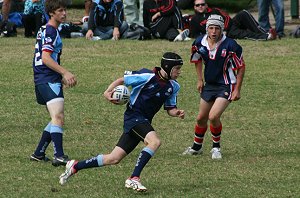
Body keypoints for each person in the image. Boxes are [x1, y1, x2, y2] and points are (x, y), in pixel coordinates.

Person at [59, 52, 185, 192]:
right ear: (167, 67)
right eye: (177, 68)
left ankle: (75, 166)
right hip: (134, 117)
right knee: (154, 142)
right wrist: (107, 92)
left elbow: (170, 108)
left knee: (113, 158)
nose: (179, 72)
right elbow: (121, 80)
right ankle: (134, 178)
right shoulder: (147, 76)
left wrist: (176, 112)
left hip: (143, 121)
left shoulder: (174, 86)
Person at [182, 15, 245, 159]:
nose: (214, 31)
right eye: (211, 28)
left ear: (222, 29)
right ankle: (197, 147)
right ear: (207, 29)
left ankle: (216, 148)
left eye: (217, 28)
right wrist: (199, 79)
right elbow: (197, 59)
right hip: (209, 85)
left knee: (213, 116)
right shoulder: (199, 43)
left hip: (226, 84)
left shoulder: (231, 45)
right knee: (200, 118)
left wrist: (237, 89)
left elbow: (241, 67)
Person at [30, 0, 77, 167]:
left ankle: (39, 153)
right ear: (51, 13)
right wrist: (64, 72)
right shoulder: (50, 30)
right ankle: (59, 155)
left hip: (43, 78)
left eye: (65, 10)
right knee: (58, 116)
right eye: (60, 10)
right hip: (47, 78)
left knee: (55, 117)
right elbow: (46, 58)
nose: (64, 13)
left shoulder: (45, 28)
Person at [190, 0, 276, 41]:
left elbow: (227, 17)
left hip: (229, 26)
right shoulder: (194, 19)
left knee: (244, 13)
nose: (200, 6)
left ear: (206, 5)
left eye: (202, 4)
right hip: (223, 34)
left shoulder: (215, 10)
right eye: (198, 5)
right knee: (242, 34)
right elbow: (195, 34)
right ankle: (265, 37)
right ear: (194, 7)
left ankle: (264, 33)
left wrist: (225, 29)